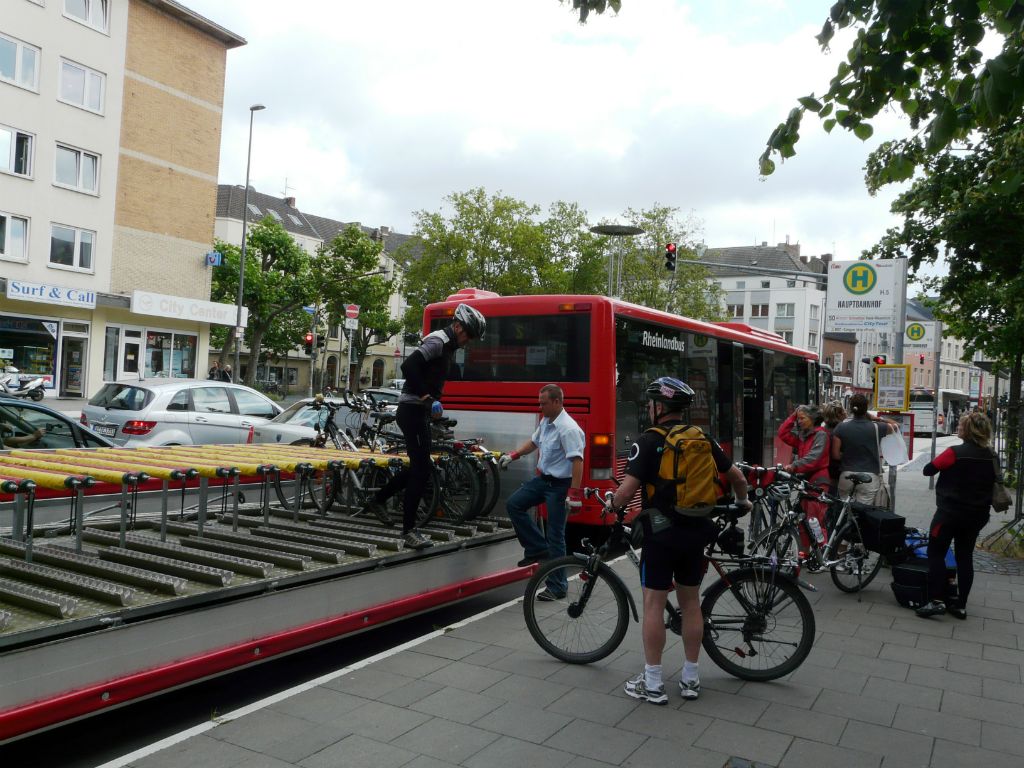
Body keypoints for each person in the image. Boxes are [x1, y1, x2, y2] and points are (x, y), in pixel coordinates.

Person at [609, 377, 751, 705]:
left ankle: (654, 683)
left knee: (653, 605)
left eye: (650, 403)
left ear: (660, 407)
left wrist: (612, 505)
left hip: (661, 534)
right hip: (697, 530)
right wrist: (744, 502)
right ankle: (690, 678)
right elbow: (737, 477)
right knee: (691, 603)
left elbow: (627, 491)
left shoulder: (649, 440)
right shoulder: (702, 437)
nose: (648, 407)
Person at [365, 303, 486, 549]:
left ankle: (378, 499)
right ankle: (408, 531)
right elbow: (408, 366)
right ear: (458, 325)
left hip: (419, 411)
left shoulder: (449, 345)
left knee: (420, 467)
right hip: (411, 410)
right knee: (421, 470)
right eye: (468, 334)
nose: (468, 341)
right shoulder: (438, 341)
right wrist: (426, 398)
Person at [499, 384, 585, 599]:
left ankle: (558, 587)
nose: (540, 407)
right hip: (543, 480)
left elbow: (577, 460)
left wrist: (573, 494)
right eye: (540, 403)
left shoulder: (569, 428)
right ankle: (537, 548)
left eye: (544, 403)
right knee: (514, 504)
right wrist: (514, 455)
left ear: (557, 402)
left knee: (556, 536)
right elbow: (534, 442)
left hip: (559, 486)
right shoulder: (547, 421)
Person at [916, 412, 998, 619]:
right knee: (965, 556)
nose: (958, 429)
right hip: (977, 514)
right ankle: (960, 605)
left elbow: (928, 470)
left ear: (968, 430)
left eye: (961, 426)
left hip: (949, 514)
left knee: (936, 553)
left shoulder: (954, 452)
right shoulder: (991, 455)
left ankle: (936, 601)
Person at [778, 404, 831, 554]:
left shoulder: (821, 435)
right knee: (803, 520)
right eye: (798, 419)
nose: (799, 421)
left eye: (802, 418)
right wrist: (793, 416)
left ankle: (821, 554)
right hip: (806, 482)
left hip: (818, 482)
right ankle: (805, 553)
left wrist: (794, 465)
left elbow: (814, 458)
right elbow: (782, 433)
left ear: (813, 419)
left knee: (814, 520)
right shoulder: (803, 436)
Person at [831, 393, 895, 504]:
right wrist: (876, 418)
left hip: (846, 476)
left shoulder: (841, 427)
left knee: (845, 510)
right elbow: (895, 426)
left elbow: (836, 455)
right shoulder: (876, 427)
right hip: (869, 477)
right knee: (863, 513)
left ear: (851, 408)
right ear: (866, 408)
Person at [822, 401, 848, 493]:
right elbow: (838, 454)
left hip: (825, 471)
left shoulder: (824, 429)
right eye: (844, 410)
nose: (846, 412)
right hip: (837, 471)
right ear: (838, 414)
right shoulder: (842, 430)